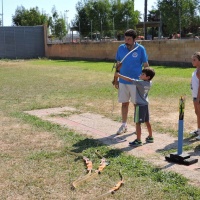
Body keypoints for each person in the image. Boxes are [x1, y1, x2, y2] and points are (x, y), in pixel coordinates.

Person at [114, 29, 149, 135]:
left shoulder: (141, 49)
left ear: (135, 39)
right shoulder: (121, 48)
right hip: (123, 81)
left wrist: (147, 80)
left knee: (136, 105)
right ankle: (124, 125)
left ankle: (137, 126)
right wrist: (115, 80)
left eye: (129, 39)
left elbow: (146, 65)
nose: (126, 41)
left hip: (136, 82)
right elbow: (117, 65)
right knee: (124, 103)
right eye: (125, 38)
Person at [115, 67, 155, 146]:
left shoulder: (141, 83)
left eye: (143, 74)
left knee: (138, 123)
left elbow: (130, 80)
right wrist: (141, 77)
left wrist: (119, 75)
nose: (141, 75)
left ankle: (138, 140)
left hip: (139, 106)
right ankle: (150, 137)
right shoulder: (150, 82)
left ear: (148, 77)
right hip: (145, 105)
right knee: (147, 121)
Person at [189, 52, 200, 140]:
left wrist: (198, 98)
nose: (192, 61)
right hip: (195, 95)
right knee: (197, 113)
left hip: (198, 96)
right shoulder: (196, 70)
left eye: (194, 60)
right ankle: (198, 130)